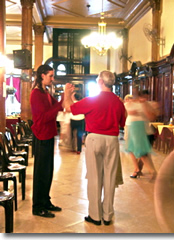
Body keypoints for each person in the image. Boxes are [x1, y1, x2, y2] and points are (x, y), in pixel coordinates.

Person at [64, 70, 126, 226]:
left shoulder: (92, 100)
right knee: (110, 178)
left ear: (100, 82)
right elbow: (123, 123)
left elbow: (69, 108)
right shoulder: (118, 102)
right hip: (112, 140)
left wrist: (66, 93)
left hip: (94, 138)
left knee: (94, 177)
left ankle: (95, 215)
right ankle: (107, 215)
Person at [30, 64, 63, 218]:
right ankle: (38, 206)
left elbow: (56, 106)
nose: (52, 79)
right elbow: (43, 118)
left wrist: (65, 99)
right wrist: (62, 103)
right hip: (42, 136)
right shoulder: (36, 94)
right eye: (50, 76)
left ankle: (46, 200)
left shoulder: (46, 92)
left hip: (48, 135)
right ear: (42, 75)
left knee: (48, 171)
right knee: (41, 173)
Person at [125, 88, 157, 180]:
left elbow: (151, 116)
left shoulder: (146, 104)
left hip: (140, 129)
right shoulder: (130, 103)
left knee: (140, 152)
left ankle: (148, 170)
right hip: (132, 127)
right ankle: (138, 169)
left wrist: (144, 105)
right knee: (133, 150)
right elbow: (127, 110)